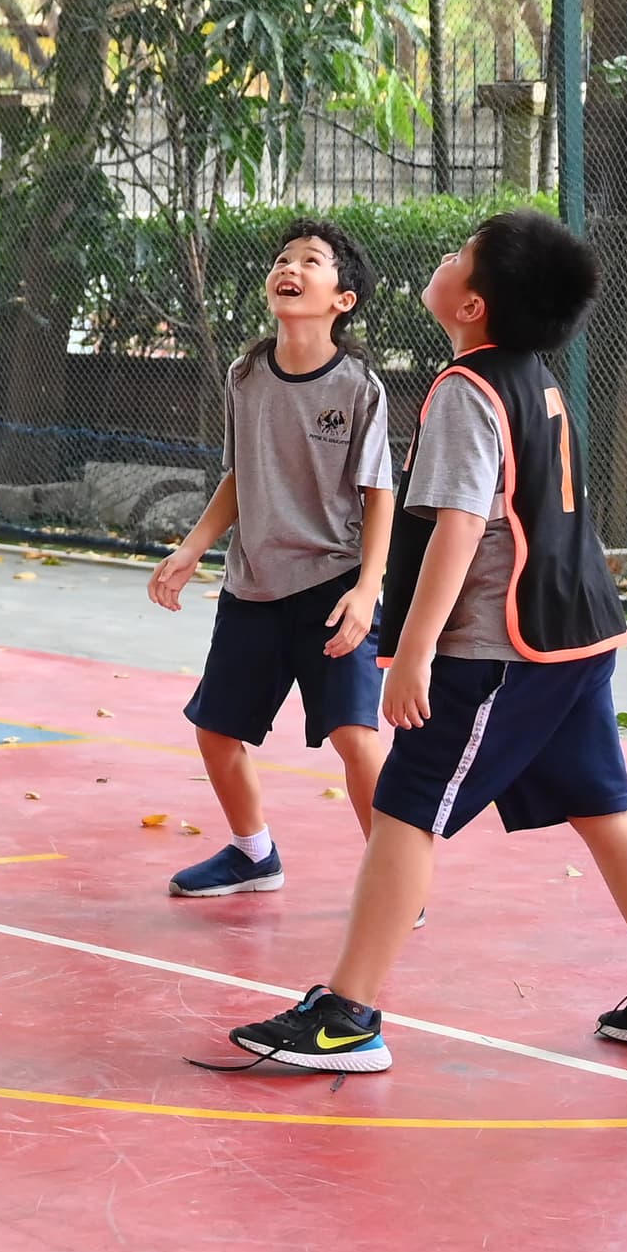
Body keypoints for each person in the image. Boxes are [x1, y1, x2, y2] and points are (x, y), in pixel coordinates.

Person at [218, 209, 627, 1073]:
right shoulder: (536, 379)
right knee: (607, 810)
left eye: (461, 254)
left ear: (472, 305)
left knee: (403, 809)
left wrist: (414, 651)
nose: (445, 256)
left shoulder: (465, 391)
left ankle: (347, 1017)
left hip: (500, 650)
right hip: (575, 638)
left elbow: (459, 527)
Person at [144, 218, 395, 896]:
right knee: (215, 732)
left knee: (354, 737)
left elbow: (380, 494)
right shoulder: (245, 375)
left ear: (342, 299)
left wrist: (368, 588)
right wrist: (193, 546)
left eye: (311, 260)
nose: (290, 267)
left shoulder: (360, 388)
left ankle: (395, 879)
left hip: (335, 586)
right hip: (253, 586)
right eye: (283, 258)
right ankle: (253, 854)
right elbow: (240, 474)